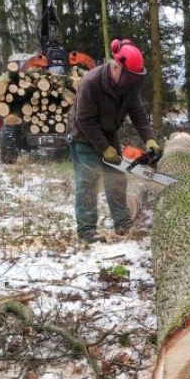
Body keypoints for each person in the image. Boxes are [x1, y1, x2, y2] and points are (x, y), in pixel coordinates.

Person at [66, 38, 161, 243]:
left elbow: (138, 113)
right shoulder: (91, 82)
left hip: (108, 133)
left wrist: (149, 139)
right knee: (89, 180)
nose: (132, 81)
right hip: (82, 134)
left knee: (116, 178)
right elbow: (84, 119)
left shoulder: (129, 86)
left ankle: (123, 224)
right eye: (129, 76)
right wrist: (104, 148)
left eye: (135, 77)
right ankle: (86, 232)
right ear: (116, 67)